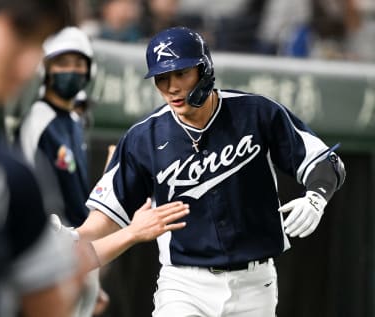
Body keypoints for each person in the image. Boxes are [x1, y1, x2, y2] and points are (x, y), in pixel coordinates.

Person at [0, 0, 189, 315]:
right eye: (20, 35)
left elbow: (47, 296)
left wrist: (82, 282)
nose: (26, 63)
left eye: (38, 44)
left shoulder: (6, 165)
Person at [77, 26, 346, 317]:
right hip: (184, 284)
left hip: (255, 284)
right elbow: (105, 218)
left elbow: (326, 161)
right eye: (162, 78)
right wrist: (68, 237)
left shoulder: (256, 113)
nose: (171, 87)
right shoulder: (144, 137)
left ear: (204, 69)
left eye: (181, 73)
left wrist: (316, 198)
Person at [18, 26, 106, 317]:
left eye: (78, 63)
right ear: (46, 68)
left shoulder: (75, 120)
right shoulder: (37, 120)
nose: (71, 70)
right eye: (62, 62)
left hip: (80, 250)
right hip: (52, 251)